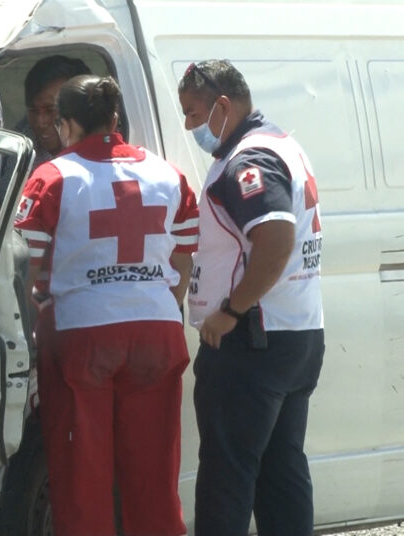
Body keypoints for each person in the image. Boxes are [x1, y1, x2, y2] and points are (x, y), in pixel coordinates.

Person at [15, 74, 199, 536]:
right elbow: (184, 254)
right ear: (116, 118)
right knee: (155, 478)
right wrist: (156, 300)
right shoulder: (168, 174)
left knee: (83, 480)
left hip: (82, 336)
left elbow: (25, 266)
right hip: (157, 332)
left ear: (65, 124)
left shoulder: (52, 177)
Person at [178, 59, 325, 536]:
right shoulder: (282, 143)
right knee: (281, 475)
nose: (189, 125)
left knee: (227, 481)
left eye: (194, 113)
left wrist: (230, 311)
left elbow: (276, 237)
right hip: (295, 335)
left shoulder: (248, 159)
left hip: (251, 341)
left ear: (223, 105)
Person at [16, 54, 91, 170]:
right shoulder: (21, 146)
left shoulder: (108, 154)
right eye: (34, 111)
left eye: (51, 110)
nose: (41, 122)